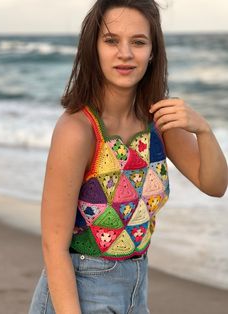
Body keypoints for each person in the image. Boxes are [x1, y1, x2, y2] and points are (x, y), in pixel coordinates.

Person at [28, 1, 228, 313]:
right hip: (80, 291)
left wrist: (204, 130)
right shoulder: (78, 129)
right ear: (93, 48)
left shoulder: (159, 122)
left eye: (138, 41)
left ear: (153, 52)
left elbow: (215, 185)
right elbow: (54, 246)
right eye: (111, 41)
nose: (125, 53)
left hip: (137, 290)